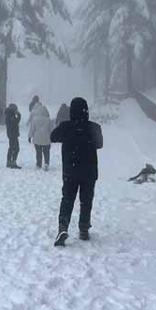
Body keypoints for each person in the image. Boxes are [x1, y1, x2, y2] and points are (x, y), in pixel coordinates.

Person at [50, 97, 103, 246]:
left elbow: (53, 137)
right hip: (89, 171)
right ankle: (84, 228)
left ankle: (63, 227)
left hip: (70, 170)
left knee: (67, 199)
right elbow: (100, 144)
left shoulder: (66, 126)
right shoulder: (93, 127)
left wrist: (67, 130)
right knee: (86, 201)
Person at [28, 103, 52, 170]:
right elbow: (51, 129)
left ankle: (39, 164)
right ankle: (46, 163)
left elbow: (32, 129)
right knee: (46, 152)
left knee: (38, 152)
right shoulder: (48, 120)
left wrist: (30, 136)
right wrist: (52, 137)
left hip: (37, 139)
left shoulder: (35, 119)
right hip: (46, 138)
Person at [5, 103, 22, 169]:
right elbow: (15, 122)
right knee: (16, 148)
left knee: (12, 148)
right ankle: (13, 162)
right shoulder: (10, 115)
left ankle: (9, 161)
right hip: (13, 134)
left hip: (11, 133)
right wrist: (19, 115)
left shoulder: (8, 114)